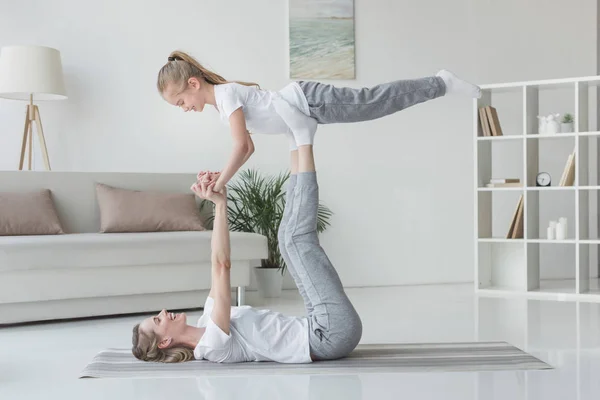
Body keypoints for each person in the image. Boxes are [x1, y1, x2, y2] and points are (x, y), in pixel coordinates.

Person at [131, 145, 362, 363]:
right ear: (165, 342)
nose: (162, 312)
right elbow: (222, 265)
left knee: (285, 239)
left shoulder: (206, 319)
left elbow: (216, 262)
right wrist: (220, 207)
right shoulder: (211, 346)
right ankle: (304, 141)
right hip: (329, 336)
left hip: (316, 324)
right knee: (296, 240)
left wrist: (221, 196)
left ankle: (296, 142)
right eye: (157, 320)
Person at [156, 50, 482, 192]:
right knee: (375, 105)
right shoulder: (221, 107)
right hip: (307, 110)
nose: (184, 108)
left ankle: (440, 83)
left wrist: (221, 181)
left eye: (181, 101)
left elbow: (242, 146)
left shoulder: (225, 96)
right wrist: (220, 175)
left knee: (373, 101)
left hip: (309, 100)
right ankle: (438, 85)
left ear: (194, 84)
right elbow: (246, 146)